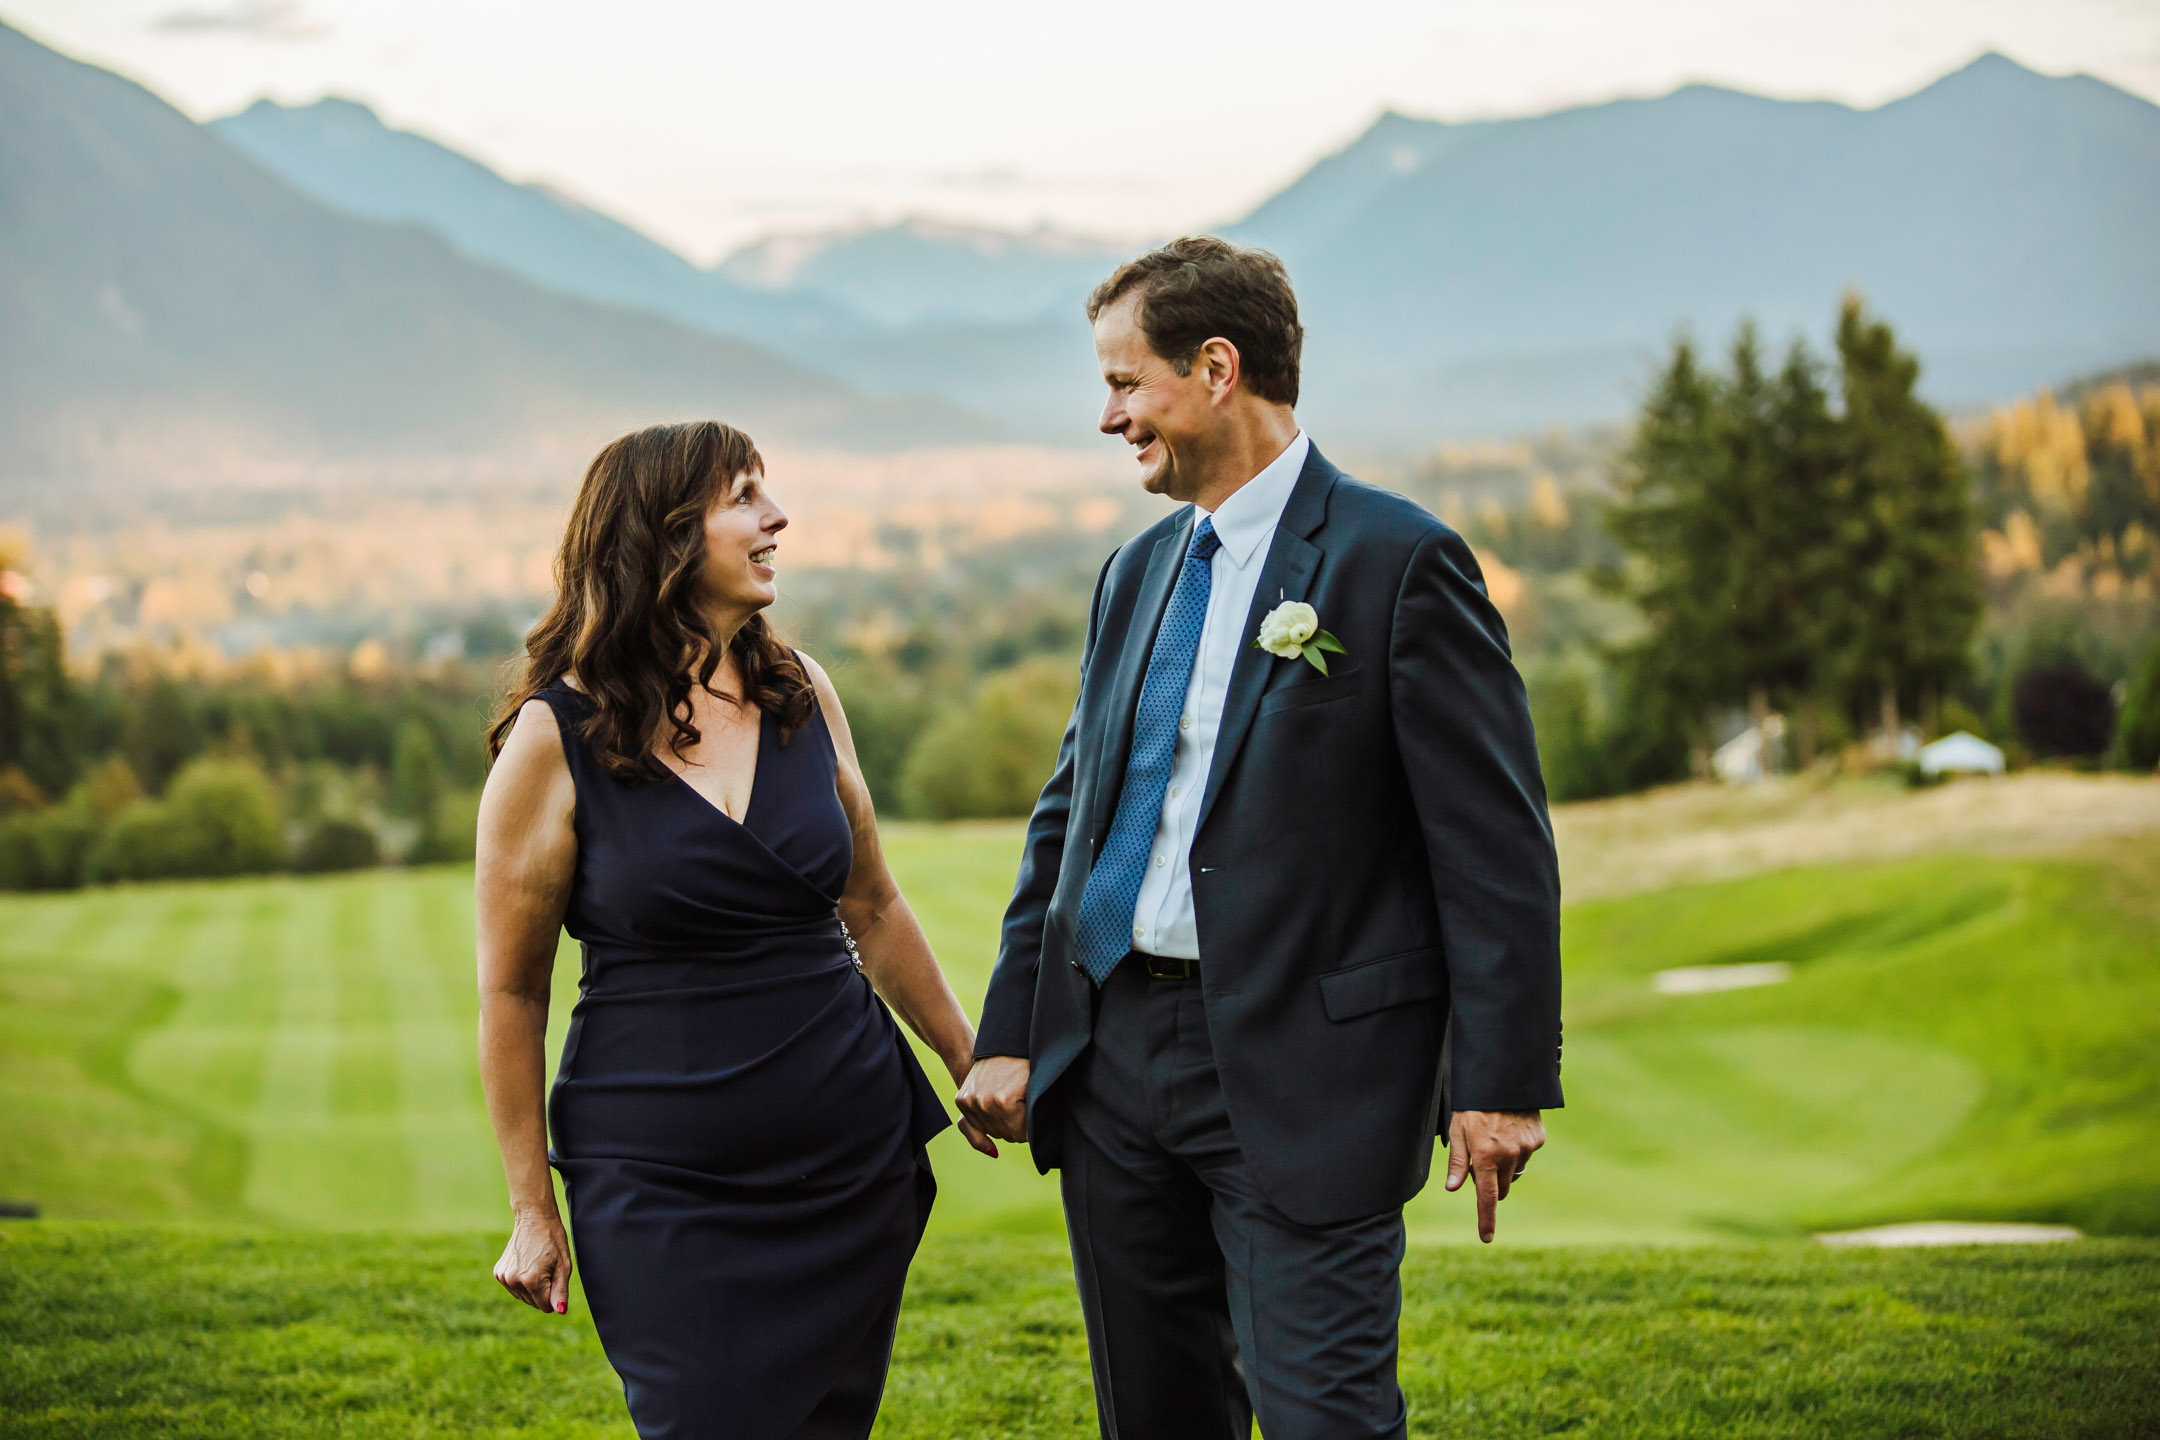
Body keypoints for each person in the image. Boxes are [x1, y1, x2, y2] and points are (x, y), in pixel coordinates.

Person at [957, 237, 1564, 1440]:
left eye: (1128, 384)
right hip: (1115, 1062)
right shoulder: (1134, 575)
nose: (1108, 415)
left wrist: (1497, 1083)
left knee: (1324, 1419)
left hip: (1308, 1072)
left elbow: (1493, 845)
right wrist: (1015, 1031)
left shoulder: (1398, 562)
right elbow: (1068, 826)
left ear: (1218, 369)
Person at [475, 421, 992, 1440]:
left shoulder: (802, 689)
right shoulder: (553, 736)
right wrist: (533, 1210)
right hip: (659, 1181)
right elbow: (512, 993)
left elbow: (874, 906)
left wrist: (970, 1061)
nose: (778, 518)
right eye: (745, 498)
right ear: (665, 536)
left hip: (848, 1162)